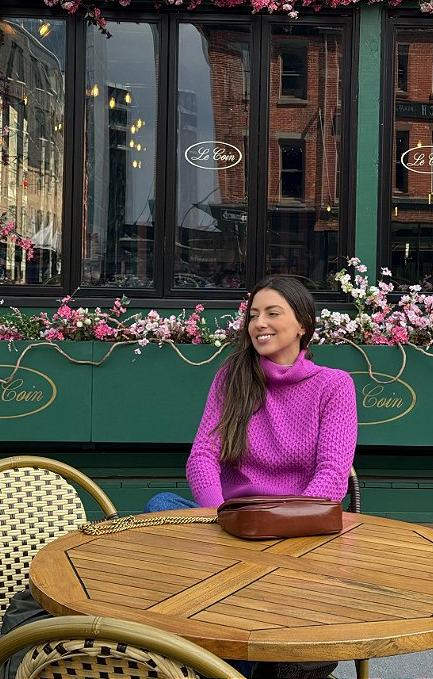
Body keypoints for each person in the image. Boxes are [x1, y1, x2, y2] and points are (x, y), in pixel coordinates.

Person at [146, 275, 358, 679]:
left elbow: (331, 477)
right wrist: (221, 514)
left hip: (297, 528)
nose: (259, 323)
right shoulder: (233, 377)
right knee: (160, 507)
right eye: (253, 315)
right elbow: (201, 458)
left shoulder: (334, 385)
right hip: (230, 520)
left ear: (302, 324)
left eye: (272, 313)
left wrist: (280, 527)